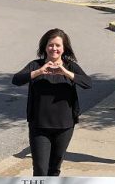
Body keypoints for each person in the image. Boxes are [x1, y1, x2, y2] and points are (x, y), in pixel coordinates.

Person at [12, 28, 92, 176]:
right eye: (50, 45)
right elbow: (16, 80)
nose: (54, 48)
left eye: (58, 45)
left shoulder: (70, 66)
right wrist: (39, 72)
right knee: (40, 169)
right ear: (44, 46)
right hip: (39, 126)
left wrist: (66, 73)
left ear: (64, 48)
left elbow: (88, 83)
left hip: (65, 126)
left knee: (54, 168)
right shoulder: (36, 65)